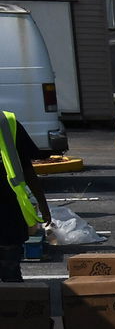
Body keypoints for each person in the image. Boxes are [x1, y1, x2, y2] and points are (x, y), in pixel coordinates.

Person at [0, 110, 51, 282]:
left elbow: (26, 167)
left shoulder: (8, 122)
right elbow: (27, 168)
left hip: (8, 210)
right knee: (10, 270)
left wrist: (42, 203)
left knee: (10, 269)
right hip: (8, 211)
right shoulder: (7, 121)